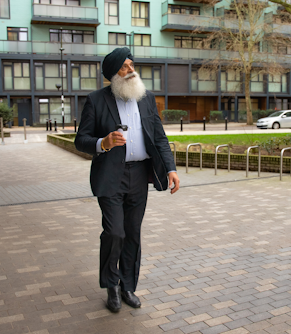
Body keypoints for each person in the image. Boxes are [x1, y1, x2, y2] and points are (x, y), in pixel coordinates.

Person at [75, 47, 179, 313]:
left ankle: (128, 286)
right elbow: (81, 140)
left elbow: (159, 138)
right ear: (113, 74)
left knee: (132, 234)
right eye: (124, 67)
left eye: (131, 65)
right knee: (114, 232)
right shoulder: (96, 100)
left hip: (139, 175)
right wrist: (103, 142)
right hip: (110, 177)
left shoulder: (146, 98)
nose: (131, 70)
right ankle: (111, 285)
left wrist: (171, 168)